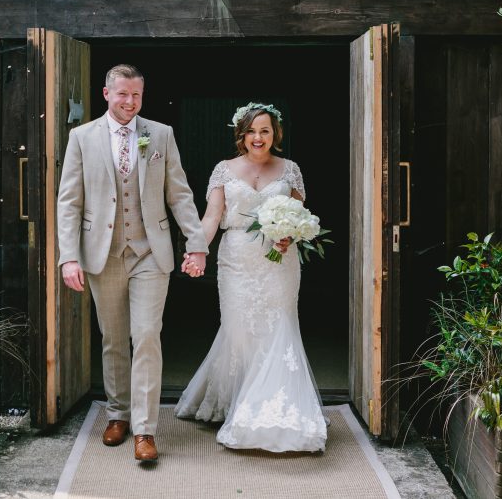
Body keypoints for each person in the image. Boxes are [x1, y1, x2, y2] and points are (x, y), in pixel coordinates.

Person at [56, 64, 208, 462]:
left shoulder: (159, 135)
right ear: (106, 94)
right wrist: (68, 256)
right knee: (113, 338)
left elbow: (180, 194)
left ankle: (145, 429)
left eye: (136, 95)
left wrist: (197, 242)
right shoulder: (81, 137)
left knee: (145, 336)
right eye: (122, 94)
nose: (130, 102)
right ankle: (117, 414)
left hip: (150, 254)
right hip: (101, 254)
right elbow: (69, 201)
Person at [174, 103, 327, 452]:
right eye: (251, 131)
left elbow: (301, 215)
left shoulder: (290, 170)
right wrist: (196, 249)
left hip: (279, 262)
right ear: (240, 134)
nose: (258, 138)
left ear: (276, 134)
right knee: (239, 329)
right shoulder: (224, 170)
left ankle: (274, 410)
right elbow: (212, 217)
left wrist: (292, 234)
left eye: (265, 131)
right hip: (237, 261)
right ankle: (239, 403)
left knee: (279, 326)